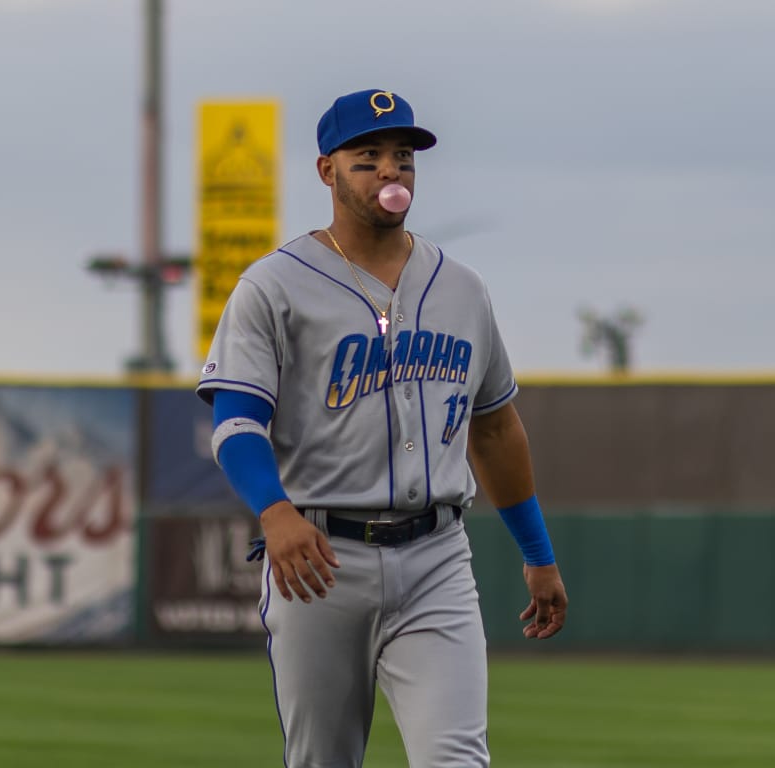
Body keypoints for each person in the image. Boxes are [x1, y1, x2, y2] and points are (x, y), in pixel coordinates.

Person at [197, 87, 568, 767]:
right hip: (320, 561)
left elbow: (494, 429)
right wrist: (273, 510)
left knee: (457, 758)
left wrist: (537, 552)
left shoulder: (461, 288)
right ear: (326, 171)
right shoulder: (271, 286)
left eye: (403, 158)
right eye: (367, 158)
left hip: (437, 555)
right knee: (324, 759)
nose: (391, 172)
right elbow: (235, 421)